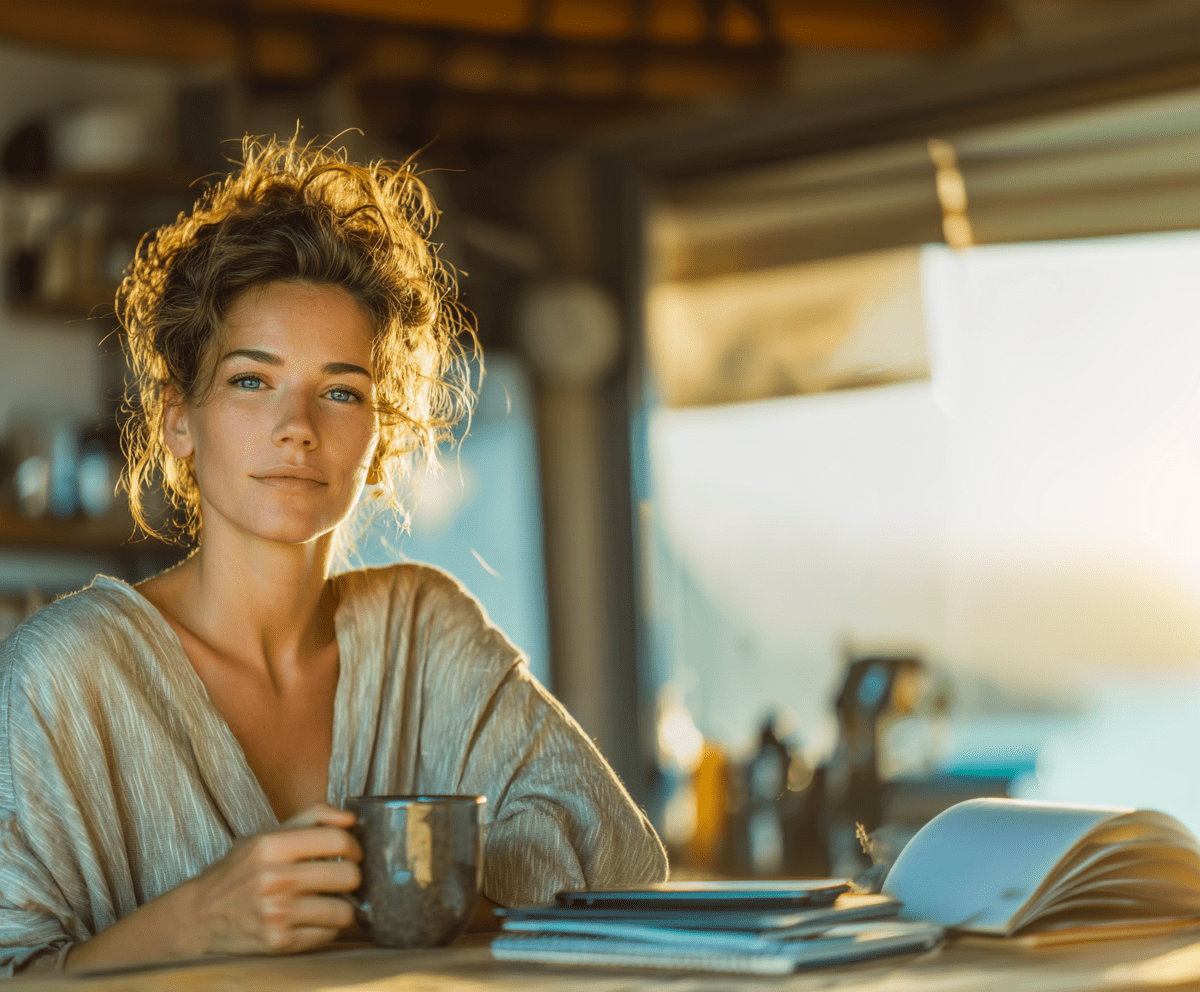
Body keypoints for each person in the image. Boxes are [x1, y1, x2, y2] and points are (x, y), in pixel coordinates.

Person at [0, 136, 667, 975]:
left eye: (342, 391)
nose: (298, 425)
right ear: (178, 418)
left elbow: (618, 855)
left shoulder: (425, 632)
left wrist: (417, 892)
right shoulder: (61, 676)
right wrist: (199, 920)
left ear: (380, 439)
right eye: (252, 379)